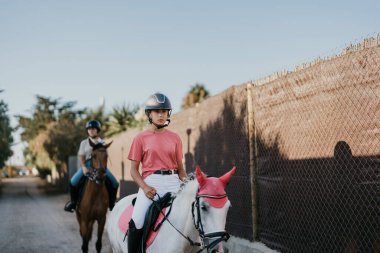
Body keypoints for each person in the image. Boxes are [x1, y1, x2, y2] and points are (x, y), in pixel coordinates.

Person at [127, 92, 187, 253]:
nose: (161, 115)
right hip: (152, 183)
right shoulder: (140, 138)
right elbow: (133, 170)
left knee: (191, 215)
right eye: (157, 111)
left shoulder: (175, 138)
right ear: (149, 114)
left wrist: (187, 183)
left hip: (174, 182)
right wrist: (145, 188)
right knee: (137, 220)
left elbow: (181, 170)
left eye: (165, 111)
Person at [64, 120, 119, 212]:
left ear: (97, 130)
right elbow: (81, 156)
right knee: (72, 182)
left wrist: (103, 168)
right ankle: (73, 203)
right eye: (89, 129)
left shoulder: (103, 142)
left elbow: (105, 156)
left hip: (100, 166)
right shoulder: (84, 143)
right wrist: (84, 167)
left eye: (93, 129)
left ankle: (111, 203)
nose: (91, 131)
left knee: (115, 183)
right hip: (87, 165)